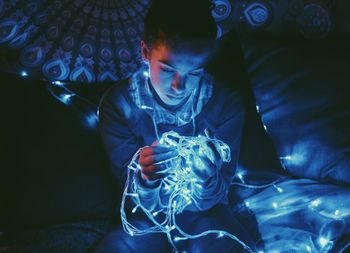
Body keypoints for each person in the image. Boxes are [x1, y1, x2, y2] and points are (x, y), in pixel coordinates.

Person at [95, 0, 257, 252]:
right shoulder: (119, 105)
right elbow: (131, 199)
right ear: (145, 52)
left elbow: (219, 194)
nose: (179, 87)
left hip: (208, 218)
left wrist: (206, 180)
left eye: (194, 73)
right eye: (168, 69)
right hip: (144, 222)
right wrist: (146, 179)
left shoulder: (226, 104)